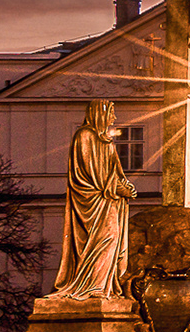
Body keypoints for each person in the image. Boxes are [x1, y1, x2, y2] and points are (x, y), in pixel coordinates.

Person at [52, 100, 137, 298]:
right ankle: (93, 287)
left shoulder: (105, 140)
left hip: (108, 201)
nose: (114, 118)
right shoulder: (85, 135)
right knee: (106, 238)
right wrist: (116, 188)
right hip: (93, 202)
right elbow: (89, 173)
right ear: (100, 113)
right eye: (111, 113)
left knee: (112, 240)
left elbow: (114, 171)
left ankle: (102, 285)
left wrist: (125, 186)